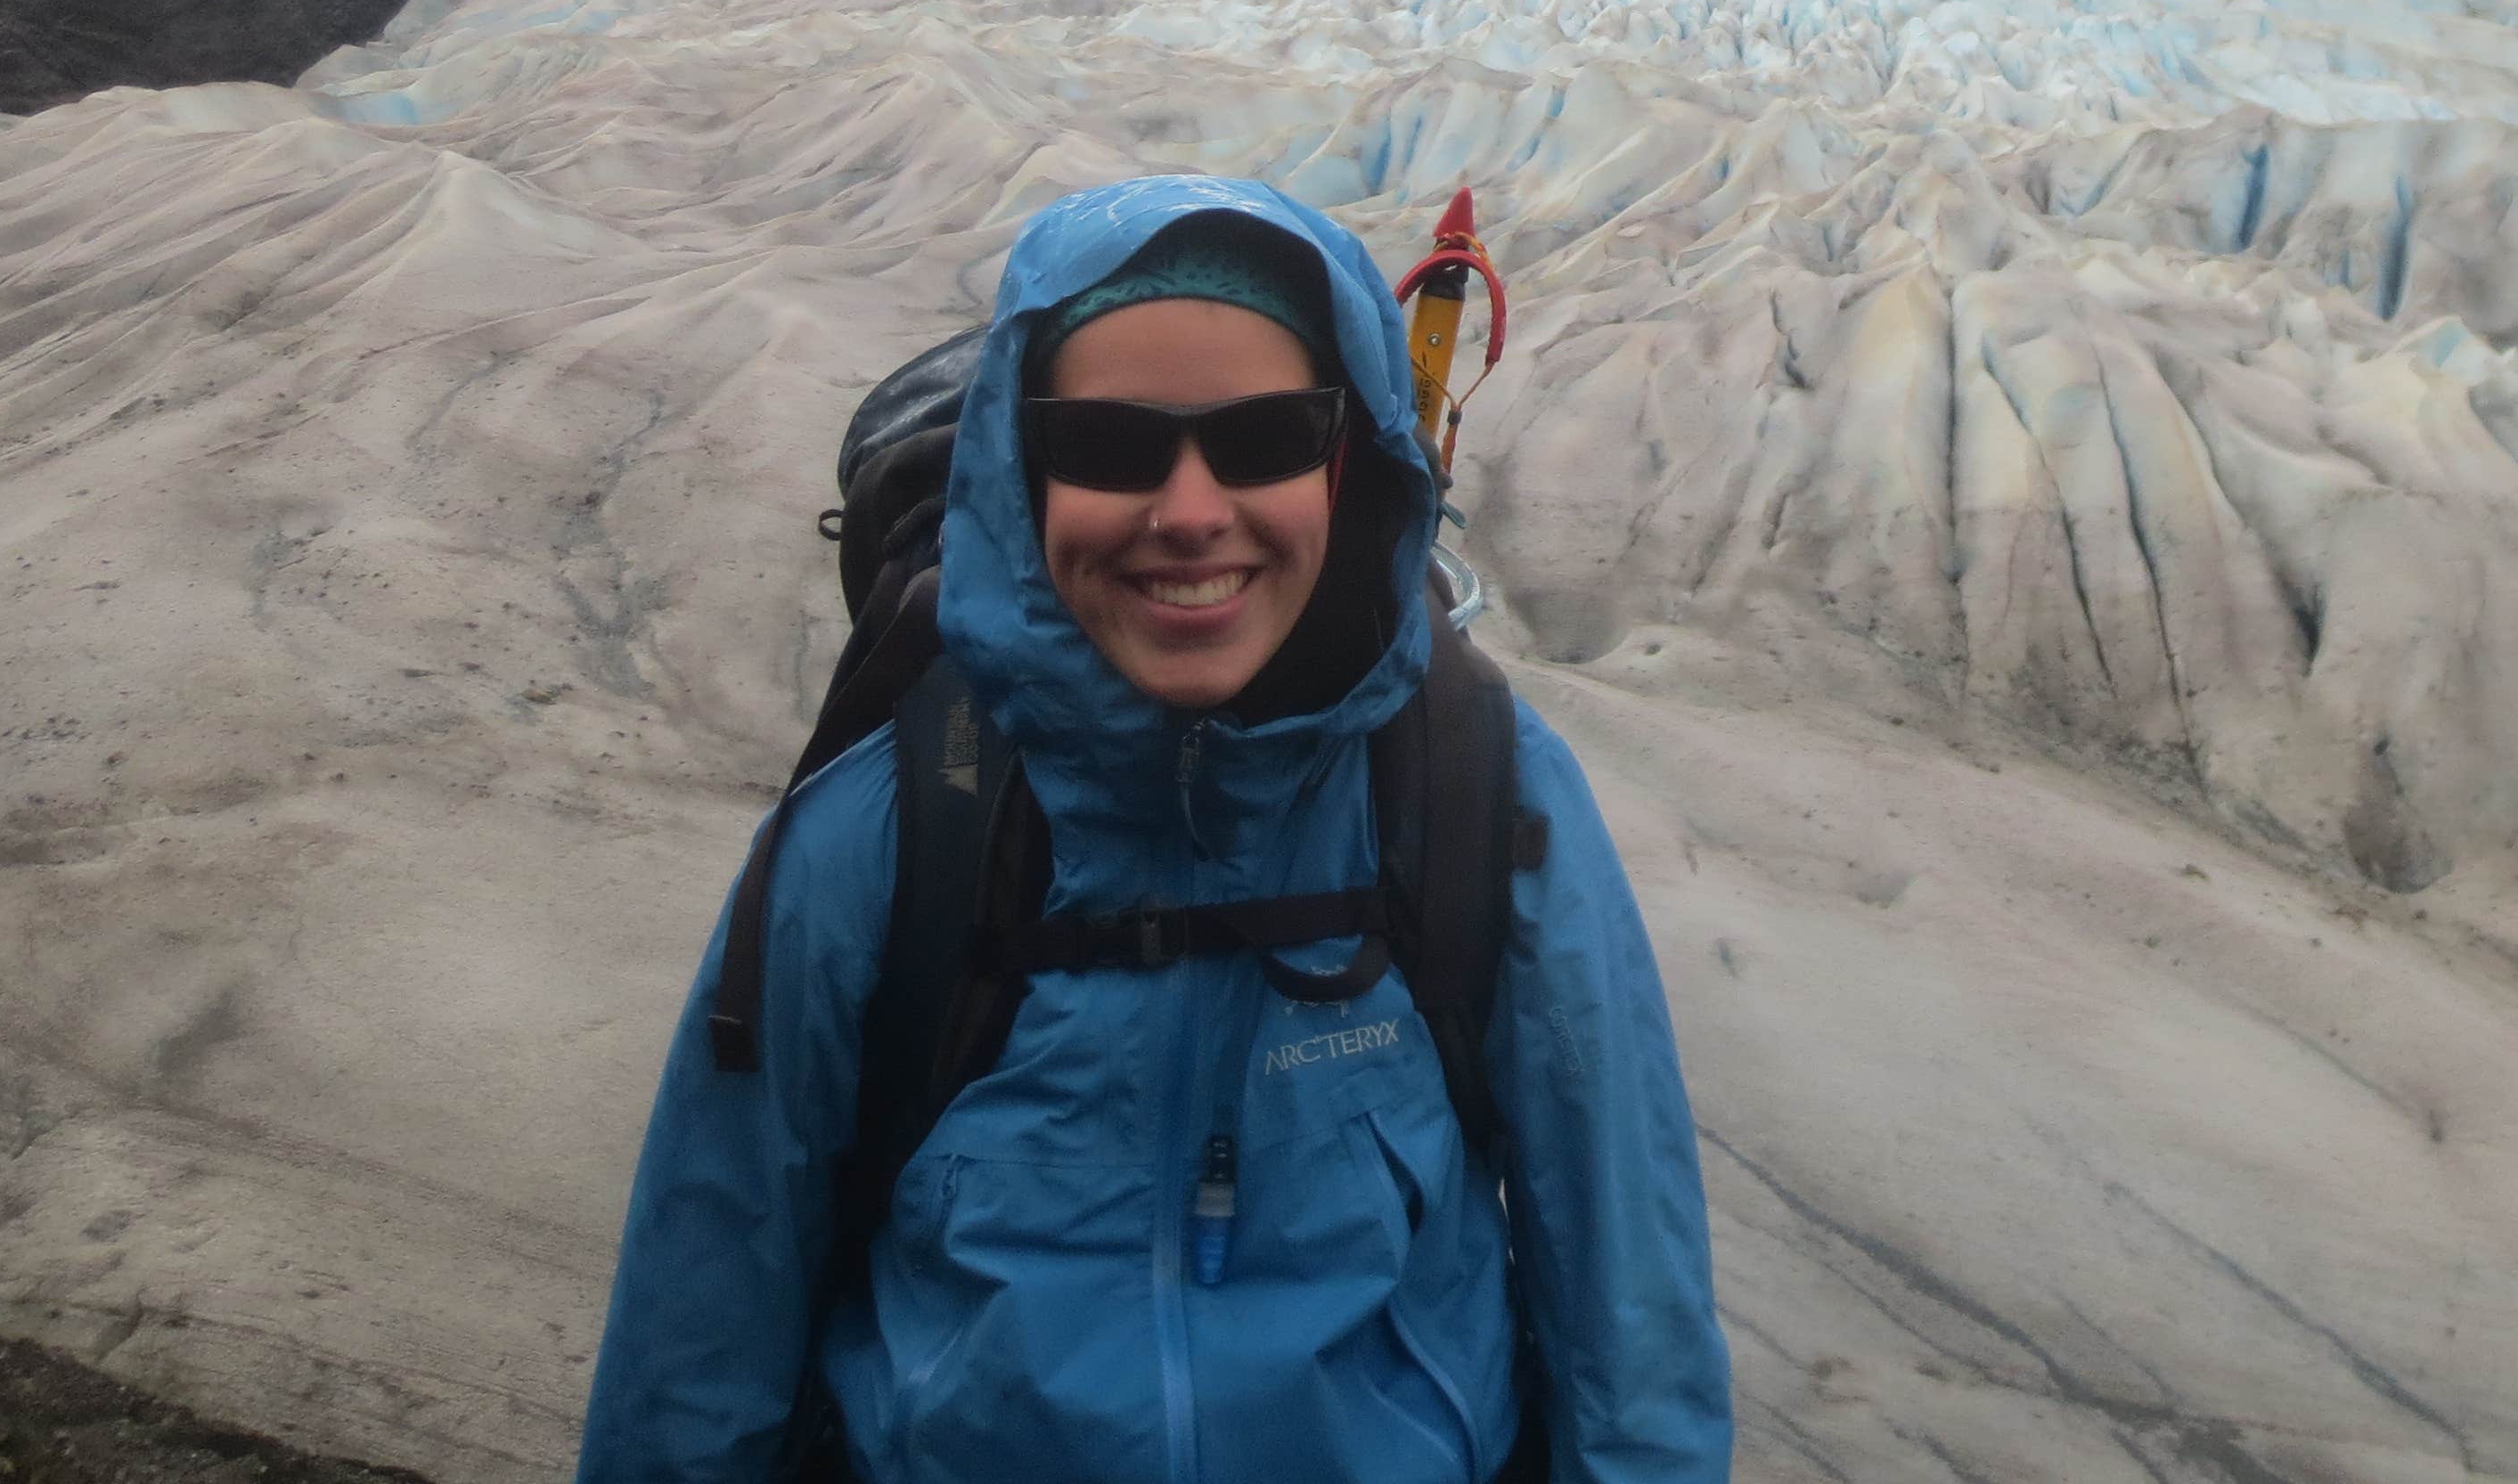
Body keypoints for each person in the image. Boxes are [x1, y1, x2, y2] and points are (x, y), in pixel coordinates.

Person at [576, 175, 1731, 1484]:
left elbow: (1630, 1318)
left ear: (1345, 456)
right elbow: (700, 1337)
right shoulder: (896, 831)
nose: (1189, 512)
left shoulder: (1477, 793)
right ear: (1022, 469)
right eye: (1113, 445)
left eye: (1266, 437)